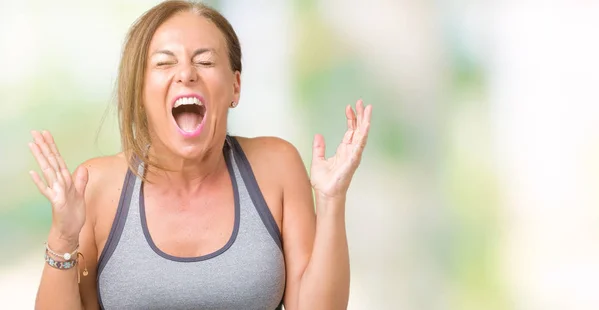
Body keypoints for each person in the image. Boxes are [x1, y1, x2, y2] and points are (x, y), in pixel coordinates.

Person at [28, 1, 372, 309]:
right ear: (140, 91)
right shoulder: (96, 185)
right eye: (164, 63)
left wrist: (331, 200)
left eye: (205, 61)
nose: (187, 74)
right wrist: (63, 238)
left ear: (235, 86)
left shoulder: (277, 165)